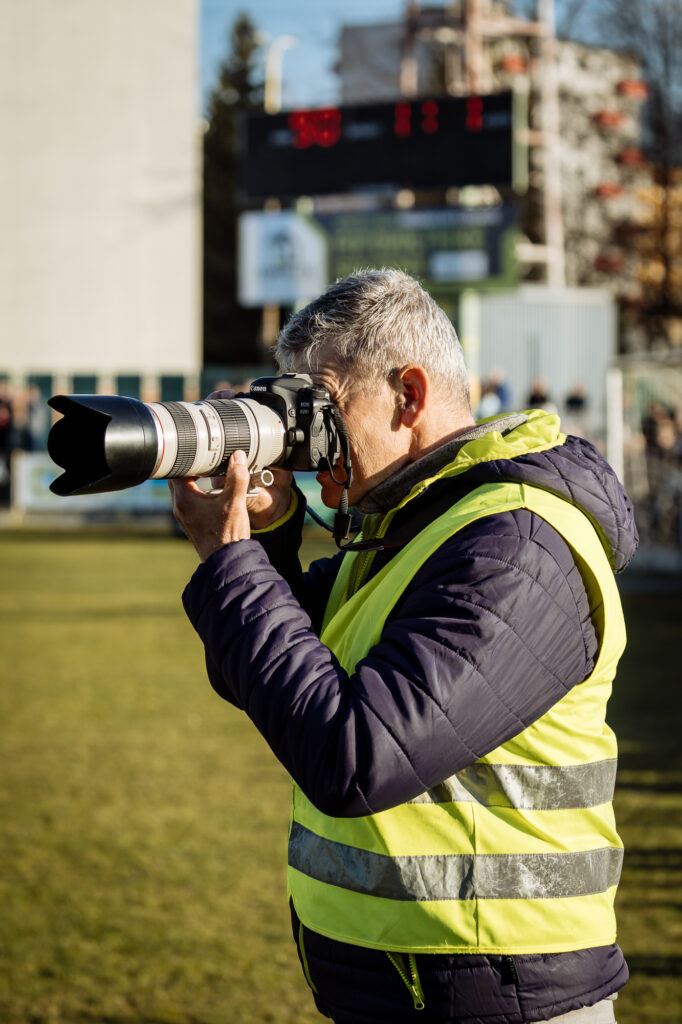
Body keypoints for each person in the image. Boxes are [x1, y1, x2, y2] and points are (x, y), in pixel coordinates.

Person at [169, 269, 638, 1024]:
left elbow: (353, 757)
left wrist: (230, 561)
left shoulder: (515, 543)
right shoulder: (410, 525)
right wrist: (266, 538)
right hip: (409, 985)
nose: (302, 441)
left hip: (500, 990)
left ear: (408, 396)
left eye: (319, 408)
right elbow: (262, 674)